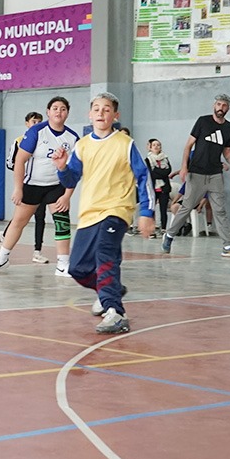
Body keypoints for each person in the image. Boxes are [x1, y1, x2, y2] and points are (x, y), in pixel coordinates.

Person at [52, 92, 154, 335]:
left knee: (104, 253)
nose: (101, 113)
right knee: (77, 268)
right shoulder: (82, 145)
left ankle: (115, 311)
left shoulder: (125, 144)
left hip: (117, 210)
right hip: (89, 214)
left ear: (115, 115)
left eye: (106, 109)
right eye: (96, 109)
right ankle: (110, 290)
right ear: (89, 114)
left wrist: (147, 212)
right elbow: (71, 179)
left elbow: (143, 177)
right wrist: (62, 168)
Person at [0, 98, 78, 276]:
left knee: (62, 222)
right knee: (18, 221)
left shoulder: (72, 138)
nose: (59, 112)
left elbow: (75, 171)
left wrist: (67, 195)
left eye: (63, 109)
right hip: (32, 185)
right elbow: (20, 160)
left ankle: (63, 264)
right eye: (55, 108)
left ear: (67, 113)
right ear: (48, 112)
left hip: (56, 186)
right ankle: (2, 259)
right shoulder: (36, 132)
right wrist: (18, 188)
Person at [161, 93, 230, 258]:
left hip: (215, 175)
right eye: (219, 104)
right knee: (186, 207)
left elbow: (227, 152)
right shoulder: (203, 121)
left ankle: (227, 246)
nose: (221, 108)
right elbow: (188, 146)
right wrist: (184, 167)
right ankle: (169, 235)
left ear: (228, 109)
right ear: (214, 106)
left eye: (224, 105)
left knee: (220, 210)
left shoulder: (229, 128)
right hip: (196, 173)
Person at [10, 111, 51, 262]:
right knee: (21, 218)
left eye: (39, 122)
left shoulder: (47, 140)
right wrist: (23, 169)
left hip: (41, 184)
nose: (37, 124)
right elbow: (11, 163)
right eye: (34, 121)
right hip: (27, 184)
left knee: (40, 216)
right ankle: (5, 243)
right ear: (27, 123)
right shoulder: (20, 141)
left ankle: (37, 251)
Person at [144, 138, 173, 232]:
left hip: (164, 187)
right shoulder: (148, 159)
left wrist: (157, 170)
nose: (156, 146)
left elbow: (168, 171)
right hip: (153, 187)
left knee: (163, 209)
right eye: (154, 145)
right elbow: (151, 173)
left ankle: (163, 228)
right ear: (150, 148)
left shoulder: (165, 158)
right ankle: (151, 228)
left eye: (158, 145)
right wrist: (161, 172)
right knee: (151, 209)